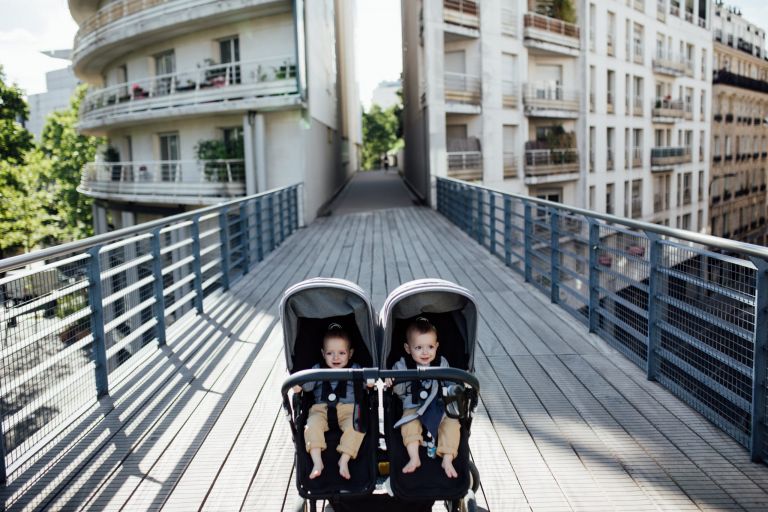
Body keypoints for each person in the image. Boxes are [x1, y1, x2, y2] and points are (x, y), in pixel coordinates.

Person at [292, 324, 365, 480]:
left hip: (348, 410)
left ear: (350, 353)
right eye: (330, 353)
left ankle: (344, 460)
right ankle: (317, 462)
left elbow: (366, 383)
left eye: (341, 353)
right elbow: (308, 385)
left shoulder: (356, 369)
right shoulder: (318, 369)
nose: (336, 357)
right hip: (320, 409)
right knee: (311, 427)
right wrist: (299, 386)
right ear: (323, 354)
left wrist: (370, 382)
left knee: (357, 428)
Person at [390, 317, 460, 478]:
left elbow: (450, 386)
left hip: (439, 407)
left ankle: (447, 458)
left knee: (452, 424)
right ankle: (414, 457)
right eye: (419, 347)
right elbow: (400, 392)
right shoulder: (402, 366)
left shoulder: (441, 362)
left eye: (430, 347)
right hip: (414, 407)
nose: (425, 352)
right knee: (408, 423)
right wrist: (392, 381)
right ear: (408, 349)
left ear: (436, 346)